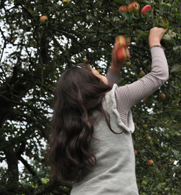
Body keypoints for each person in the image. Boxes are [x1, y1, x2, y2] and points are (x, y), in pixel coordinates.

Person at [48, 27, 169, 195]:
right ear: (91, 85)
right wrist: (155, 41)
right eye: (96, 73)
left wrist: (115, 67)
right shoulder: (115, 101)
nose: (100, 73)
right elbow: (159, 75)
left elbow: (107, 99)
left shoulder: (76, 123)